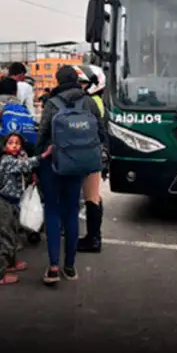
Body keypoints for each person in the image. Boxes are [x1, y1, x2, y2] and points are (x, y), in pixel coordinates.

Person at [35, 66, 105, 286]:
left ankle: (53, 267)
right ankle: (70, 267)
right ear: (77, 80)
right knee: (72, 211)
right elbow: (100, 132)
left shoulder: (51, 104)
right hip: (78, 165)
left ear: (57, 81)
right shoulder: (89, 102)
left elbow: (42, 135)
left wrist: (36, 163)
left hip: (53, 164)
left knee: (53, 212)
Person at [0, 133, 52, 285]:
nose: (15, 145)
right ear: (5, 147)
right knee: (7, 238)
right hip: (5, 202)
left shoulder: (15, 159)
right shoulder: (8, 160)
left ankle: (11, 264)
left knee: (13, 234)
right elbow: (25, 165)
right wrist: (44, 155)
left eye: (17, 143)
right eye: (11, 142)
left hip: (12, 202)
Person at [77, 65, 106, 253]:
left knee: (92, 198)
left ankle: (93, 238)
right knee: (93, 197)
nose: (80, 86)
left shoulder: (92, 101)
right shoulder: (95, 100)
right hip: (95, 153)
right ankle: (94, 236)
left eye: (84, 83)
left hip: (89, 153)